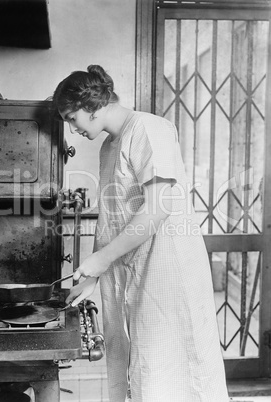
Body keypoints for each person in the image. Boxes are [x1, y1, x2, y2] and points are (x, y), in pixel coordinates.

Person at [52, 65, 229, 402]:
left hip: (167, 267)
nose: (73, 129)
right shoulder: (108, 147)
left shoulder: (149, 128)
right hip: (135, 268)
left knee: (176, 368)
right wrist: (92, 277)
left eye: (72, 118)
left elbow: (157, 209)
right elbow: (112, 219)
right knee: (147, 371)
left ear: (90, 105)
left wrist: (101, 260)